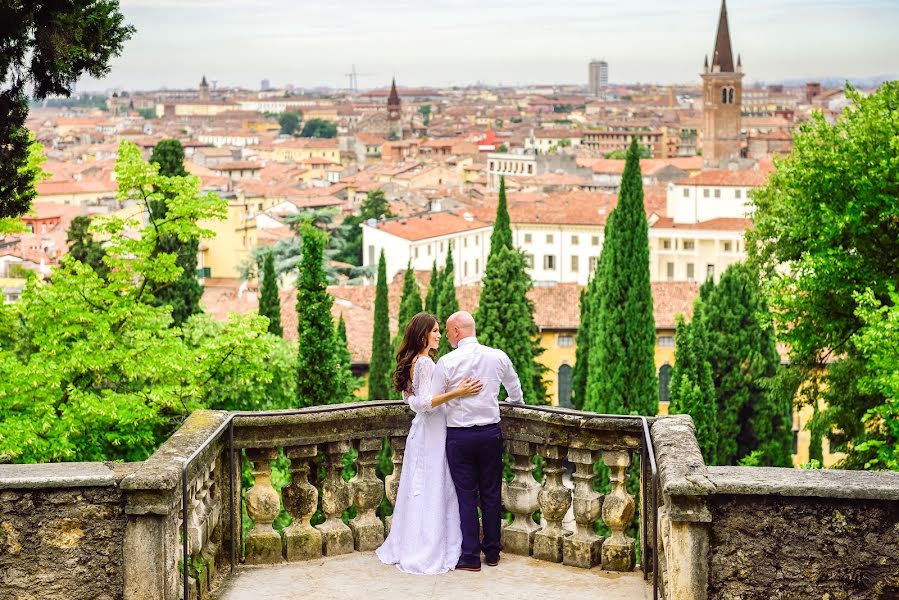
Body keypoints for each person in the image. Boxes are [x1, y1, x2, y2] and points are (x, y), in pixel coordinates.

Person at [376, 312, 483, 575]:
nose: (438, 335)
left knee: (422, 486)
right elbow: (424, 402)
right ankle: (429, 546)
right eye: (434, 331)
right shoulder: (423, 362)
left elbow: (409, 400)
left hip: (423, 432)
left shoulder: (412, 360)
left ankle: (413, 542)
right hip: (433, 431)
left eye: (439, 330)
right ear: (423, 334)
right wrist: (460, 391)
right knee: (434, 484)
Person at [432, 310, 524, 572]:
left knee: (466, 496)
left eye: (448, 331)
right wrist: (513, 403)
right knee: (491, 494)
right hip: (489, 434)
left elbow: (433, 399)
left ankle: (470, 555)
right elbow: (515, 389)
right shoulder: (497, 356)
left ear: (457, 331)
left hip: (459, 437)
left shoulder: (447, 362)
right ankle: (493, 552)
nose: (447, 336)